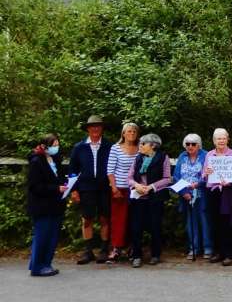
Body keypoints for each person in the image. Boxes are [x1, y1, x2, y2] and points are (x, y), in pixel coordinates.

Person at [68, 114, 113, 264]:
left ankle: (104, 250)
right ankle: (88, 251)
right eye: (92, 126)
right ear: (88, 129)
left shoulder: (109, 146)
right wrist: (73, 190)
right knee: (87, 219)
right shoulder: (79, 147)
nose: (95, 129)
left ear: (102, 129)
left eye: (98, 126)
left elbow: (115, 167)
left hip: (104, 188)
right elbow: (72, 170)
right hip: (86, 188)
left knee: (104, 217)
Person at [204, 128, 232, 266]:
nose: (221, 141)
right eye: (218, 139)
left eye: (223, 138)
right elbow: (203, 174)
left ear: (228, 139)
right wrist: (206, 172)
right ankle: (218, 252)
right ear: (214, 141)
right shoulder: (209, 155)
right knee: (215, 222)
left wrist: (231, 181)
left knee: (228, 223)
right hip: (213, 191)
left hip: (229, 193)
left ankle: (229, 254)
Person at [128, 133, 172, 267]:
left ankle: (155, 255)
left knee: (155, 227)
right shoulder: (138, 158)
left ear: (152, 146)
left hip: (155, 197)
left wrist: (151, 187)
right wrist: (136, 185)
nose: (140, 146)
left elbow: (167, 178)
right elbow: (129, 178)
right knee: (136, 227)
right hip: (138, 197)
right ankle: (136, 256)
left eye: (143, 144)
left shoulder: (163, 157)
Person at [27, 134, 68, 277]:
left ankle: (46, 263)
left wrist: (66, 183)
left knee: (52, 236)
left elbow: (60, 177)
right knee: (42, 236)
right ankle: (37, 267)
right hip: (42, 206)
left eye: (57, 144)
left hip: (56, 205)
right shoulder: (36, 162)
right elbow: (35, 187)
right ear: (44, 146)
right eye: (53, 144)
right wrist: (55, 189)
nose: (56, 147)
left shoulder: (56, 159)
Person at [173, 133, 213, 261]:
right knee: (190, 221)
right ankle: (193, 248)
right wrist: (183, 192)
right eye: (187, 144)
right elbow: (176, 176)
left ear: (199, 145)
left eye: (193, 144)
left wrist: (199, 183)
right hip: (186, 194)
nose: (190, 146)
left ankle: (208, 247)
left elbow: (209, 173)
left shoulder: (206, 155)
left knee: (205, 221)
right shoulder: (182, 156)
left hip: (202, 193)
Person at [105, 122, 140, 264]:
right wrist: (114, 188)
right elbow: (110, 171)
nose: (131, 134)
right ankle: (116, 249)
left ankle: (132, 248)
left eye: (134, 132)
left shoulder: (140, 149)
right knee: (118, 220)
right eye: (129, 131)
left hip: (135, 189)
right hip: (119, 189)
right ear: (123, 134)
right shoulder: (115, 148)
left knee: (134, 220)